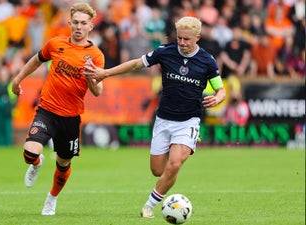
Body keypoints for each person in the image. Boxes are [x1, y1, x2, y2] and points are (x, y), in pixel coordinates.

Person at [84, 16, 226, 218]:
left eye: (187, 39)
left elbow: (221, 89)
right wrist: (105, 73)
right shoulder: (165, 52)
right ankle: (182, 145)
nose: (183, 43)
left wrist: (218, 98)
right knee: (158, 170)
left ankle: (149, 206)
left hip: (189, 121)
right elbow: (135, 64)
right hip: (164, 120)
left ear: (198, 37)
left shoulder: (207, 60)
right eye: (180, 38)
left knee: (175, 163)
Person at [11, 2, 104, 216]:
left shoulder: (96, 56)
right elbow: (36, 60)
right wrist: (18, 80)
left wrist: (91, 77)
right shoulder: (56, 44)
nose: (79, 27)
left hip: (70, 117)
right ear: (69, 22)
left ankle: (51, 198)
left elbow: (98, 91)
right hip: (47, 110)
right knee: (29, 152)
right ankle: (36, 163)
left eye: (84, 23)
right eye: (76, 22)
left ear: (91, 26)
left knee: (63, 164)